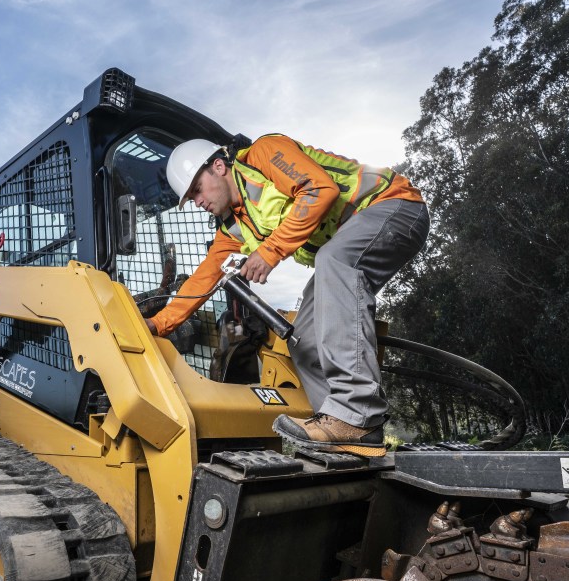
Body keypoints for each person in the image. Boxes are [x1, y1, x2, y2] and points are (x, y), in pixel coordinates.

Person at [146, 134, 429, 457]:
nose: (198, 201)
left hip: (392, 205)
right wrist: (158, 325)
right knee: (302, 338)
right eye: (191, 198)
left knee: (332, 261)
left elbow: (320, 189)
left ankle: (357, 413)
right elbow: (202, 281)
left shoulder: (264, 154)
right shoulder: (234, 229)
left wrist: (270, 251)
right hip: (351, 243)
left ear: (219, 167)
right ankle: (344, 434)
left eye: (197, 189)